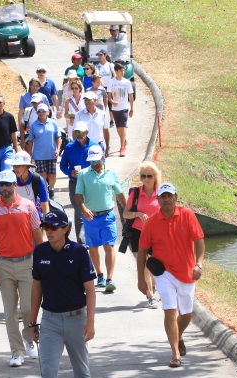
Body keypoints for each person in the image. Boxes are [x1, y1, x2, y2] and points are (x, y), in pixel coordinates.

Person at [27, 210, 97, 378]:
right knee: (48, 370)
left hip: (77, 318)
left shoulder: (78, 252)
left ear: (65, 229)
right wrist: (32, 321)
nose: (49, 231)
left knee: (81, 368)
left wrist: (90, 322)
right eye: (46, 227)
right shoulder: (40, 252)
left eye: (54, 227)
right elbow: (36, 287)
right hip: (50, 320)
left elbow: (90, 289)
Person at [137, 183, 205, 368]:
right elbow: (142, 252)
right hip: (163, 272)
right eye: (163, 196)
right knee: (170, 310)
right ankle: (175, 353)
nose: (166, 200)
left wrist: (199, 264)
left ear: (176, 197)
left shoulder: (187, 215)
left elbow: (199, 242)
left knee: (186, 314)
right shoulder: (151, 222)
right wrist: (141, 279)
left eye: (169, 196)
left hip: (187, 271)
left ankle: (178, 336)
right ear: (158, 199)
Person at [0, 170, 44, 367]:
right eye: (1, 185)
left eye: (8, 184)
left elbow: (38, 238)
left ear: (14, 185)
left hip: (27, 263)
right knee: (9, 312)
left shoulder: (28, 207)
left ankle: (29, 339)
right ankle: (16, 352)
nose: (4, 188)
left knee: (27, 308)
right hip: (4, 265)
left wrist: (43, 263)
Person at [75, 145, 126, 292]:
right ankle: (100, 275)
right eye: (91, 161)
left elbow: (119, 194)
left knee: (108, 246)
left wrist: (127, 211)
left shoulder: (112, 173)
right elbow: (78, 195)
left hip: (108, 216)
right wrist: (84, 210)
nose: (94, 163)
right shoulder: (83, 174)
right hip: (90, 218)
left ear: (103, 157)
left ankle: (110, 278)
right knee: (93, 247)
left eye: (96, 160)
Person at [122, 162, 163, 309]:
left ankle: (152, 284)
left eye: (149, 176)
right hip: (138, 233)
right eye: (143, 176)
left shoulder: (161, 193)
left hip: (157, 233)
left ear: (155, 177)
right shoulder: (136, 193)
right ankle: (150, 296)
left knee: (156, 263)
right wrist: (138, 214)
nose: (146, 179)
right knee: (144, 263)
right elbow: (125, 213)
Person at [59, 121, 97, 245]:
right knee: (80, 211)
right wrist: (70, 172)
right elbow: (62, 165)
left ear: (87, 132)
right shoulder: (69, 147)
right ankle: (82, 243)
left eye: (81, 132)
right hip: (75, 184)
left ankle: (91, 238)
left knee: (91, 210)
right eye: (77, 132)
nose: (79, 134)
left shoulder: (94, 147)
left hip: (91, 184)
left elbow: (103, 163)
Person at [26, 104, 62, 199]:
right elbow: (30, 140)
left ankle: (51, 189)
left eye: (43, 111)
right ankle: (45, 193)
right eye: (39, 111)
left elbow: (58, 137)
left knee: (52, 175)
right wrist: (29, 154)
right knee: (42, 175)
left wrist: (58, 149)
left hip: (51, 153)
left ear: (48, 112)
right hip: (39, 155)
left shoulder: (53, 123)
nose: (41, 113)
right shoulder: (34, 125)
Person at [7, 150, 50, 221]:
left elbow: (45, 205)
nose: (15, 168)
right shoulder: (8, 178)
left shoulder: (38, 179)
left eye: (18, 166)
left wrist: (45, 227)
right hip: (13, 217)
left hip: (33, 217)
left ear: (27, 167)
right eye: (14, 165)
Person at [106, 63, 134, 157]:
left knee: (123, 127)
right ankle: (124, 140)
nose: (123, 72)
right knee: (118, 128)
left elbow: (130, 96)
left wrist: (132, 109)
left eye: (123, 70)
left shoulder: (127, 82)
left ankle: (122, 148)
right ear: (116, 71)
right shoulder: (111, 82)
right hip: (115, 108)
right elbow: (109, 96)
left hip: (124, 108)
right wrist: (112, 101)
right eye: (121, 70)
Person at [74, 91, 110, 158]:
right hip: (83, 145)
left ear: (95, 100)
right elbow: (75, 132)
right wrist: (75, 147)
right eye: (85, 100)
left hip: (98, 145)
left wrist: (108, 146)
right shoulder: (79, 115)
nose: (86, 102)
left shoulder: (102, 114)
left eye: (89, 100)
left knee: (100, 167)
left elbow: (106, 130)